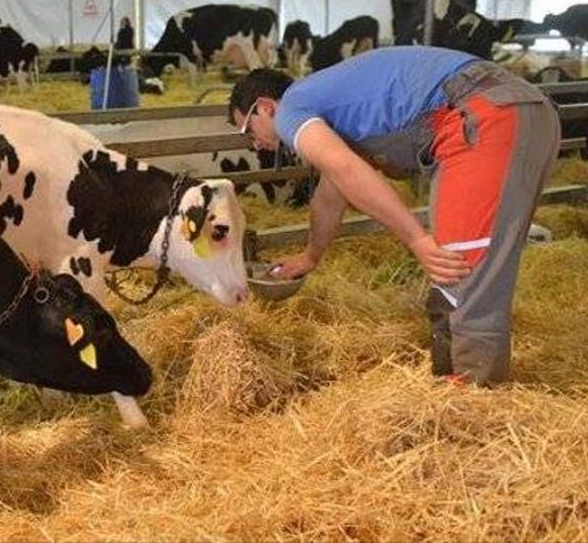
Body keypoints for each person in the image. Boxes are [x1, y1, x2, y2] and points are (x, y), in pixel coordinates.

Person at [228, 46, 559, 385]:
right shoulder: (329, 102)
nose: (255, 145)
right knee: (477, 266)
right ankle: (457, 383)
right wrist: (311, 256)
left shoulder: (291, 110)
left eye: (248, 132)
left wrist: (416, 239)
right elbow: (331, 192)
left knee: (460, 273)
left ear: (265, 107)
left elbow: (347, 169)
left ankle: (473, 403)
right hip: (527, 110)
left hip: (483, 116)